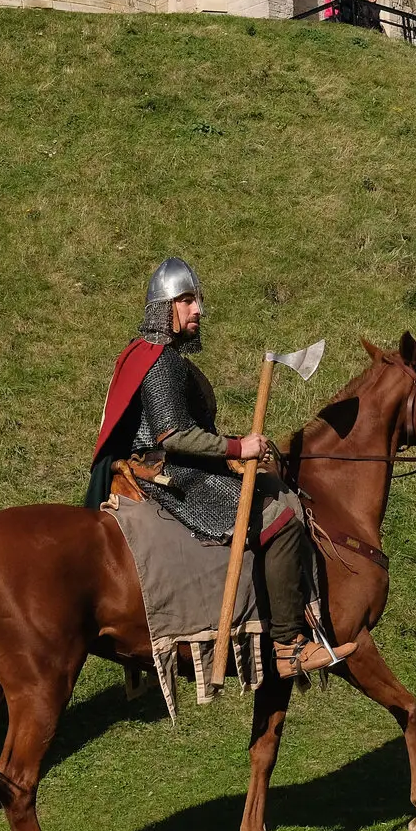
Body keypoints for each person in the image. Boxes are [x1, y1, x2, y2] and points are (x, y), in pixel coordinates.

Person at [88, 258, 356, 677]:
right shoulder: (159, 361)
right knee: (280, 518)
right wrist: (237, 445)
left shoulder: (156, 356)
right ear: (164, 307)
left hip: (180, 462)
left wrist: (233, 452)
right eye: (187, 300)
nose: (198, 310)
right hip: (171, 473)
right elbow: (172, 435)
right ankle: (288, 647)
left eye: (197, 301)